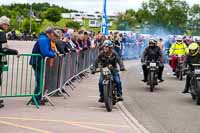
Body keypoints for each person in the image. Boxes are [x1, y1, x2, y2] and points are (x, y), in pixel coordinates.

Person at [30, 27, 57, 105]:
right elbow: (45, 52)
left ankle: (37, 97)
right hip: (37, 61)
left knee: (40, 80)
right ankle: (35, 99)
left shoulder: (44, 39)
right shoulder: (43, 39)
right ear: (50, 33)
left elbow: (48, 50)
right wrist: (53, 54)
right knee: (39, 80)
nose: (53, 35)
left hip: (38, 61)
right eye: (53, 34)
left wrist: (52, 53)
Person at [0, 16, 19, 108]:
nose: (8, 27)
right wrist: (15, 52)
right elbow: (4, 49)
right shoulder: (1, 33)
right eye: (7, 25)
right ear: (3, 24)